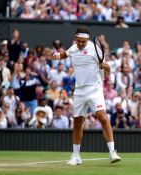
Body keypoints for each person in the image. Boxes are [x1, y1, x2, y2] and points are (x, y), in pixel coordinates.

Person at [51, 27, 121, 165]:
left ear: (88, 40)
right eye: (78, 41)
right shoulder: (73, 48)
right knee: (77, 123)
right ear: (76, 39)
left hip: (95, 89)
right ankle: (76, 156)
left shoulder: (96, 49)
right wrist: (58, 55)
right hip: (79, 91)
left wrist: (104, 66)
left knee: (102, 116)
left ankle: (112, 152)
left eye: (83, 41)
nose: (81, 44)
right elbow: (65, 54)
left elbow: (108, 69)